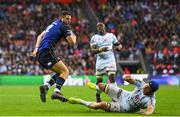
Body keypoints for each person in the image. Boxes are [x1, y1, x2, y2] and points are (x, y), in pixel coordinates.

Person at [32, 10, 76, 103]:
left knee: (61, 72)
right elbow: (72, 42)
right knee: (65, 71)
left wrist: (36, 48)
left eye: (70, 19)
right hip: (47, 51)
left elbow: (40, 36)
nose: (69, 21)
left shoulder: (53, 24)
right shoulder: (64, 26)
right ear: (62, 18)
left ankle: (46, 86)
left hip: (41, 53)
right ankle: (57, 91)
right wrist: (74, 35)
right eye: (67, 19)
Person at [68, 75, 159, 115]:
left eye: (148, 86)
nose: (146, 85)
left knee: (101, 105)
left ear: (151, 90)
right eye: (147, 84)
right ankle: (91, 85)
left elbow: (150, 110)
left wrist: (147, 112)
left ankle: (79, 101)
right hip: (124, 95)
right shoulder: (142, 84)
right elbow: (130, 80)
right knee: (101, 86)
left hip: (124, 107)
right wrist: (129, 79)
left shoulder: (150, 99)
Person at [90, 22, 122, 102]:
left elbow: (119, 45)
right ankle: (97, 96)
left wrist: (118, 48)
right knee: (99, 81)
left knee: (111, 77)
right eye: (98, 27)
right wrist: (101, 49)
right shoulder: (94, 38)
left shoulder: (111, 36)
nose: (100, 28)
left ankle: (114, 97)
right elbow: (93, 51)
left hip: (110, 59)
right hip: (100, 61)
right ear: (97, 28)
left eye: (101, 26)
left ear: (104, 27)